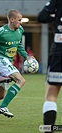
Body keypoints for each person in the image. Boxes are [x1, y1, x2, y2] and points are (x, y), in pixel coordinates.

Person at [37, 0, 62, 132]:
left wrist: (55, 14)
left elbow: (42, 17)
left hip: (60, 50)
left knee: (51, 93)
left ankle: (48, 129)